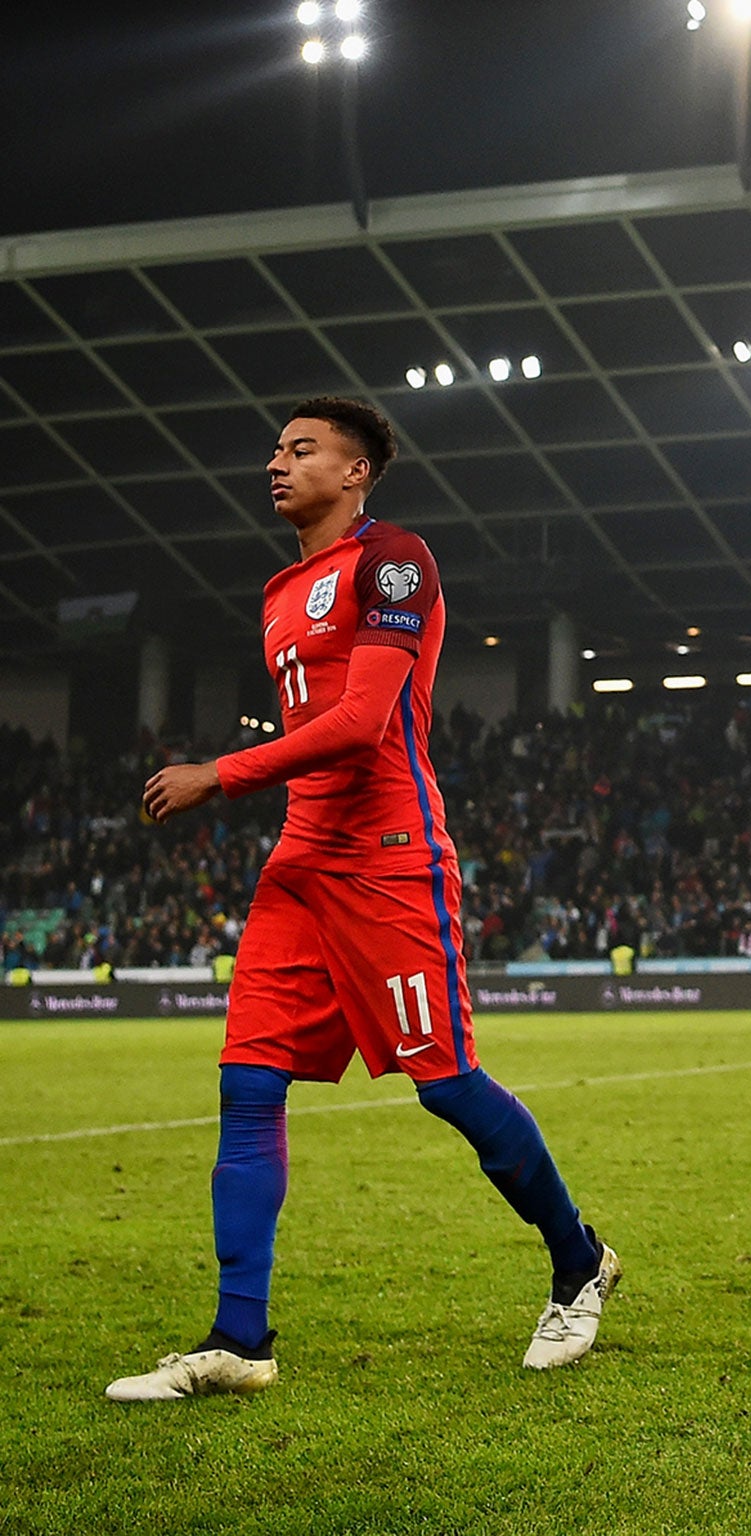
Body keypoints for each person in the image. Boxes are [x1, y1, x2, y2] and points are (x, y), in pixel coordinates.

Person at [107, 398, 618, 1402]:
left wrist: (222, 771)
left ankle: (577, 1261)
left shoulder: (395, 563)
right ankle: (238, 1341)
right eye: (275, 448)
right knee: (249, 1083)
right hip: (301, 863)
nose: (277, 463)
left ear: (356, 474)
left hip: (389, 857)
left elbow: (361, 724)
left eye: (302, 450)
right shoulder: (280, 587)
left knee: (446, 1084)